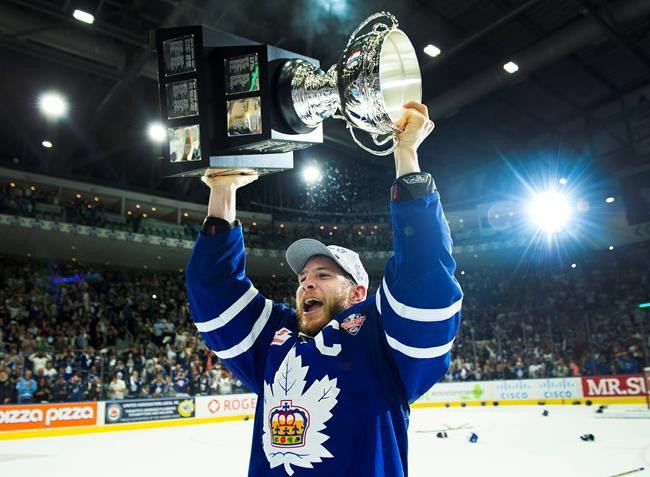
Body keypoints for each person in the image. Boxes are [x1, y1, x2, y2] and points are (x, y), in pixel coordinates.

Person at [185, 102, 463, 476]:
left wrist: (406, 154)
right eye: (302, 278)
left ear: (358, 294)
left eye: (324, 275)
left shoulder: (380, 339)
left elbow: (426, 276)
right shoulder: (276, 338)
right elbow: (212, 292)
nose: (307, 283)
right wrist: (223, 189)